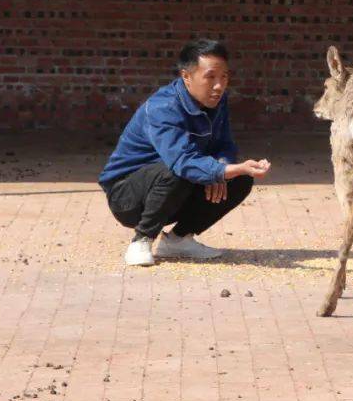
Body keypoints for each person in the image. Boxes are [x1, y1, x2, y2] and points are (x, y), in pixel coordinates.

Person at [98, 39, 270, 266]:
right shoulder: (163, 107)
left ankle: (178, 240)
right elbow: (182, 160)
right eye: (210, 77)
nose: (219, 85)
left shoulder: (217, 100)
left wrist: (222, 166)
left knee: (240, 179)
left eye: (224, 77)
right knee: (179, 170)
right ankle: (141, 240)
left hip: (175, 188)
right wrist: (219, 171)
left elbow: (224, 144)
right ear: (186, 77)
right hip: (128, 196)